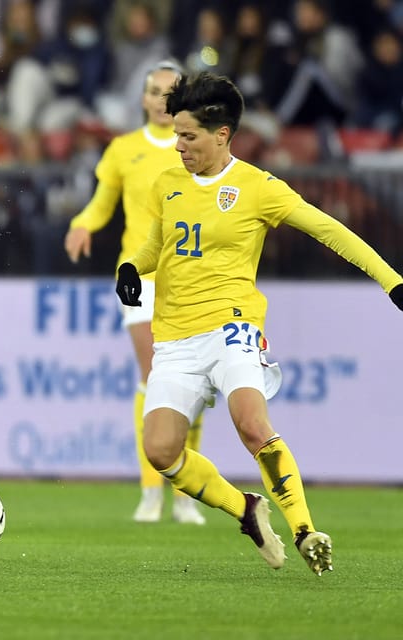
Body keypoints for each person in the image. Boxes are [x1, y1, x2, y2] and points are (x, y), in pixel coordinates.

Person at [114, 71, 403, 575]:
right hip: (176, 336)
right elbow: (159, 245)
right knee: (160, 450)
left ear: (221, 134)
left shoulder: (257, 188)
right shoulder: (168, 183)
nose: (177, 145)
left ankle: (305, 530)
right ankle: (245, 510)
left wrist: (391, 281)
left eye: (188, 137)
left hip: (233, 325)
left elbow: (329, 231)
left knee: (251, 423)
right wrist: (132, 267)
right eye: (175, 134)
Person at [64, 61, 206, 526]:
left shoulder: (200, 146)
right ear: (143, 99)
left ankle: (185, 493)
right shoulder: (124, 150)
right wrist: (83, 223)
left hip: (189, 277)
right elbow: (102, 203)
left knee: (192, 387)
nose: (162, 98)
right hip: (137, 277)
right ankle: (150, 490)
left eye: (172, 90)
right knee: (153, 375)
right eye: (154, 90)